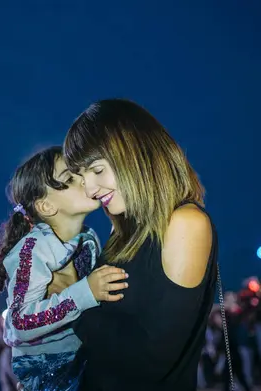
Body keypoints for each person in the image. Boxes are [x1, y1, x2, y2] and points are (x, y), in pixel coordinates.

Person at [58, 98, 218, 391]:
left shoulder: (185, 223)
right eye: (82, 178)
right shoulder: (125, 231)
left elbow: (152, 360)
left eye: (96, 170)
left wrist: (72, 301)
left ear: (133, 153)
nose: (91, 190)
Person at [0, 146, 128, 391]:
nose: (84, 179)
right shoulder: (33, 248)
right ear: (46, 207)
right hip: (48, 371)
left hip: (82, 358)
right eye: (69, 178)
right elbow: (21, 321)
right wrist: (85, 292)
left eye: (79, 173)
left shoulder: (88, 238)